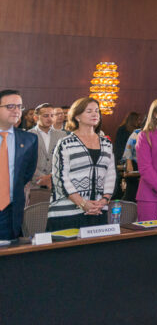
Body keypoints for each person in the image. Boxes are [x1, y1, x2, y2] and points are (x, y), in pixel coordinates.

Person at [47, 97, 115, 231]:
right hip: (67, 212)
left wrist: (104, 201)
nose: (95, 114)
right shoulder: (66, 143)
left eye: (97, 111)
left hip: (98, 210)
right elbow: (60, 178)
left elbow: (110, 175)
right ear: (77, 116)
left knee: (97, 251)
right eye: (89, 111)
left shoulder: (106, 143)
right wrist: (83, 203)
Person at [0, 90, 38, 240]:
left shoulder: (29, 139)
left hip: (11, 211)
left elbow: (26, 173)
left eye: (19, 106)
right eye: (10, 106)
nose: (16, 110)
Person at [29, 103, 66, 191]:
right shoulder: (28, 135)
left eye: (52, 115)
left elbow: (64, 159)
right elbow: (26, 161)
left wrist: (51, 177)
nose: (49, 118)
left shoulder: (62, 135)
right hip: (34, 183)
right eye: (46, 116)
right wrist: (41, 178)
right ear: (36, 117)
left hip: (55, 183)